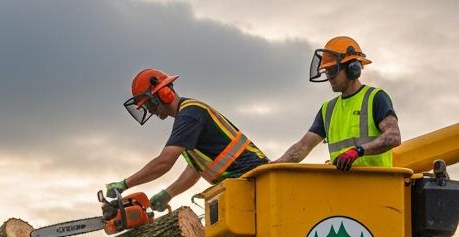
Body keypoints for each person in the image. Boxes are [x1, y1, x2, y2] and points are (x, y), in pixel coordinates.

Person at [105, 68, 267, 213]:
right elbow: (197, 168)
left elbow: (164, 163)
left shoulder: (190, 114)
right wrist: (169, 193)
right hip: (241, 183)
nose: (151, 111)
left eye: (150, 105)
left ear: (164, 94)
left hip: (254, 179)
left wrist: (125, 184)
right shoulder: (187, 116)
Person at [273, 37, 400, 170]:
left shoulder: (375, 98)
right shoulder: (328, 109)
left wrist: (358, 151)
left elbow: (393, 136)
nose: (329, 77)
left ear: (353, 68)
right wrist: (274, 165)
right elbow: (302, 147)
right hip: (341, 188)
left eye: (332, 70)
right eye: (326, 71)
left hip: (377, 185)